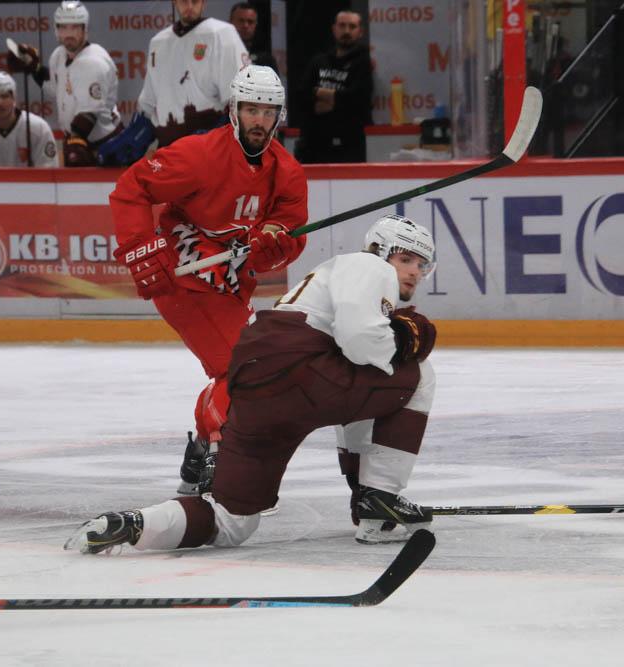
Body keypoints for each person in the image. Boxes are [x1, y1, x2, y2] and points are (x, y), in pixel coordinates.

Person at [67, 214, 438, 553]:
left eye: (422, 265)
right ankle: (379, 503)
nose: (414, 272)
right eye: (406, 258)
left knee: (232, 521)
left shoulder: (333, 276)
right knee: (417, 375)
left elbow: (352, 350)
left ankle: (132, 524)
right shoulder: (369, 265)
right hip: (301, 369)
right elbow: (361, 342)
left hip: (255, 379)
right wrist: (408, 341)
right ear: (378, 249)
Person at [110, 65, 307, 496]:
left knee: (251, 366)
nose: (259, 120)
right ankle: (220, 452)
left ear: (279, 116)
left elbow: (290, 234)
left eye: (268, 112)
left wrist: (273, 244)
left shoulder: (287, 171)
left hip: (229, 284)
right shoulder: (198, 155)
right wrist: (141, 244)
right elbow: (131, 188)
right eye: (251, 110)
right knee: (246, 367)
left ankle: (201, 453)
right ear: (234, 110)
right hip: (183, 275)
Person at [7, 0, 120, 167]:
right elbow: (55, 89)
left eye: (74, 27)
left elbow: (89, 113)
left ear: (85, 29)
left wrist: (75, 141)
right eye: (63, 27)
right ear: (56, 29)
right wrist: (34, 68)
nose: (68, 33)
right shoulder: (59, 55)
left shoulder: (93, 62)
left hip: (104, 144)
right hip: (77, 139)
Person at [138, 0, 249, 148]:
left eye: (195, 1)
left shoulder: (222, 34)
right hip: (168, 148)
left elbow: (241, 98)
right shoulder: (158, 42)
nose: (190, 6)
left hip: (209, 148)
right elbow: (148, 102)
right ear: (175, 2)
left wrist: (219, 133)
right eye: (184, 1)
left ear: (204, 2)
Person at [294, 10, 373, 164]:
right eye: (342, 26)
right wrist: (337, 100)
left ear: (361, 32)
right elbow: (301, 96)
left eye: (352, 26)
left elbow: (358, 99)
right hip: (314, 145)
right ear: (334, 29)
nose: (346, 31)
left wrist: (319, 92)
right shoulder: (318, 61)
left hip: (350, 147)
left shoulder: (363, 62)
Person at [229, 2, 278, 73]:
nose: (245, 25)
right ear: (230, 22)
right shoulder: (221, 52)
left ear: (256, 24)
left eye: (250, 22)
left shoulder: (266, 59)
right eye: (241, 21)